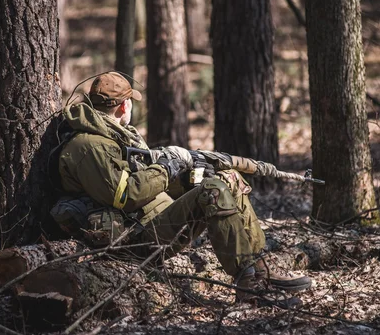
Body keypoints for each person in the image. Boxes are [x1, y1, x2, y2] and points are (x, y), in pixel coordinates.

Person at [53, 72, 311, 304]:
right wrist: (168, 168)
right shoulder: (89, 146)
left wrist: (187, 177)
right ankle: (249, 288)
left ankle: (259, 270)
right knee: (212, 191)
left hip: (150, 221)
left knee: (228, 177)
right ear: (124, 105)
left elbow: (144, 180)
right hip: (131, 239)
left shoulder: (118, 135)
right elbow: (125, 195)